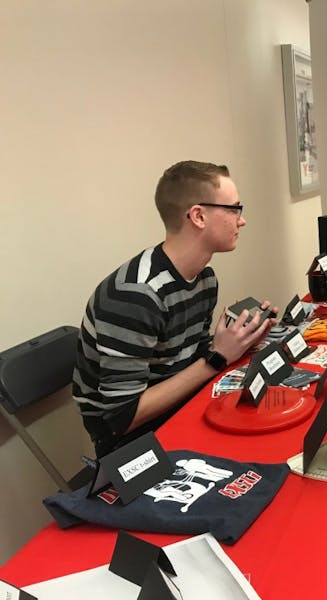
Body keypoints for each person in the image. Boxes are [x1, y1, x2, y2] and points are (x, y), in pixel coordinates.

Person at [73, 161, 278, 457]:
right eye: (234, 209)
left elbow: (186, 358)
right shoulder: (136, 295)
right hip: (133, 440)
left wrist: (242, 340)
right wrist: (218, 356)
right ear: (198, 216)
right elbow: (121, 417)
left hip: (185, 406)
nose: (241, 220)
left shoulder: (204, 278)